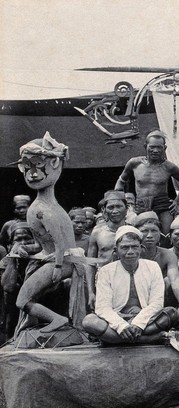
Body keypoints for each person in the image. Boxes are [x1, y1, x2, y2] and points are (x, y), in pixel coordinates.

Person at [12, 133, 89, 333]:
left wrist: (56, 267)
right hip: (64, 260)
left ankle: (57, 319)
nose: (33, 173)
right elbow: (44, 243)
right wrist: (26, 249)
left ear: (55, 163)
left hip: (62, 261)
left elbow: (59, 243)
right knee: (31, 295)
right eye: (27, 167)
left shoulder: (41, 209)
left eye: (38, 165)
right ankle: (39, 322)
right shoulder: (49, 205)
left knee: (22, 300)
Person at [82, 226, 178, 344]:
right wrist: (121, 326)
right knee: (89, 321)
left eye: (134, 247)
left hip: (145, 319)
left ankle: (113, 339)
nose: (130, 251)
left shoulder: (152, 267)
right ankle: (147, 339)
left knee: (172, 313)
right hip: (117, 319)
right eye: (125, 247)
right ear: (116, 251)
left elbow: (156, 303)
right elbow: (103, 307)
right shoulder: (106, 271)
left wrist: (138, 324)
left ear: (141, 248)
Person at [114, 129, 179, 237]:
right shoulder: (134, 163)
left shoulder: (169, 167)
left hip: (163, 204)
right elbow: (121, 181)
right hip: (141, 204)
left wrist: (177, 201)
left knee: (166, 235)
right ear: (145, 146)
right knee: (141, 235)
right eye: (152, 147)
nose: (155, 150)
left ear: (165, 148)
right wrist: (122, 200)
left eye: (159, 147)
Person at [135, 212, 179, 324]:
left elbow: (175, 280)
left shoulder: (167, 255)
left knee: (167, 280)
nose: (149, 235)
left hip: (158, 298)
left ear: (160, 234)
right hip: (134, 297)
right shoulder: (129, 253)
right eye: (145, 231)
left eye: (154, 231)